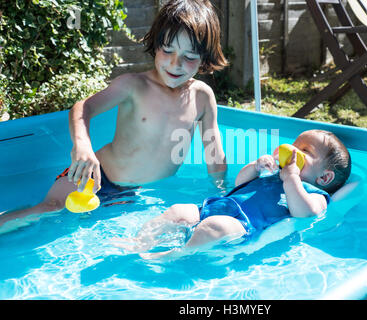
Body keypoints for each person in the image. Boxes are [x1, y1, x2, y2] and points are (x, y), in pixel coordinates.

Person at [0, 0, 228, 228]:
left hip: (134, 194)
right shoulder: (134, 86)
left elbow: (214, 154)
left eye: (189, 57)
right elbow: (83, 107)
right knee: (48, 209)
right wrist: (82, 147)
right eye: (168, 50)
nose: (175, 63)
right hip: (94, 175)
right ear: (155, 45)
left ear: (205, 58)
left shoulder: (202, 97)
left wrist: (221, 193)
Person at [112, 129, 352, 259]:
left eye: (304, 151)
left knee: (213, 228)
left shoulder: (314, 194)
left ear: (324, 178)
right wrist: (257, 166)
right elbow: (239, 182)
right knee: (177, 211)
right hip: (217, 205)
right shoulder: (273, 173)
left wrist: (291, 178)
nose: (292, 150)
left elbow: (304, 214)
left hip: (242, 225)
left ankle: (177, 255)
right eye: (295, 144)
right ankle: (141, 242)